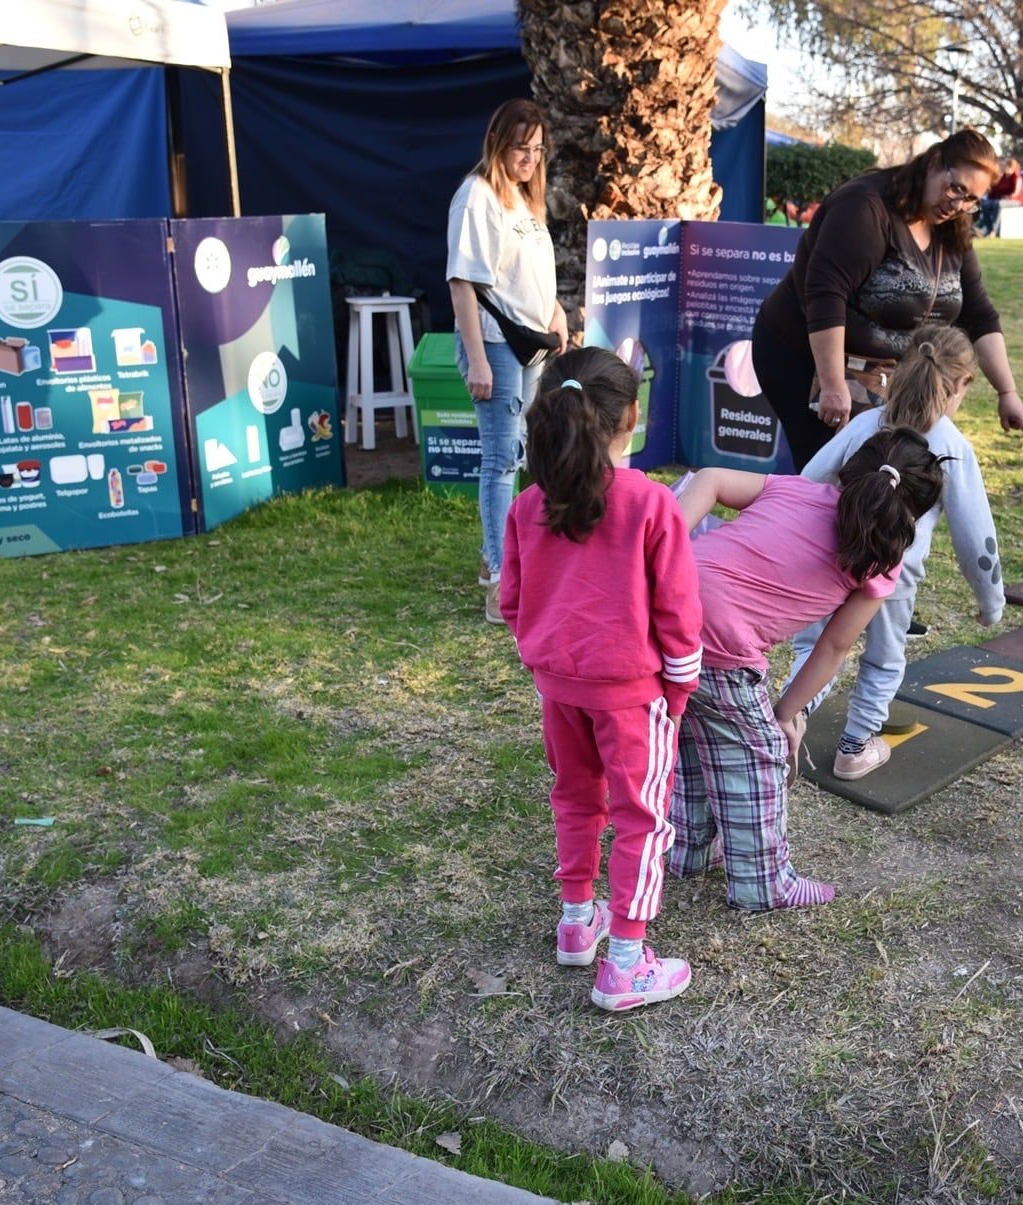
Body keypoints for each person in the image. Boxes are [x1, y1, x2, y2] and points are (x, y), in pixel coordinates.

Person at [498, 347, 704, 1012]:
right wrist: (677, 692)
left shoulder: (527, 504)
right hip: (631, 696)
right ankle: (624, 962)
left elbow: (512, 599)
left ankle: (575, 918)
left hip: (558, 687)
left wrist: (544, 658)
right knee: (641, 818)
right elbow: (679, 616)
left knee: (574, 797)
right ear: (631, 418)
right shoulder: (650, 504)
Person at [667, 428, 946, 909]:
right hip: (720, 646)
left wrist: (662, 550)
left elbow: (708, 478)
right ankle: (763, 883)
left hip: (661, 617)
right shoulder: (880, 562)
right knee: (761, 757)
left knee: (693, 733)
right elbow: (835, 647)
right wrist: (784, 717)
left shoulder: (794, 488)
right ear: (915, 515)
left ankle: (689, 851)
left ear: (848, 468)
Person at [788, 327, 1005, 780]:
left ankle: (790, 719)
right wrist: (992, 603)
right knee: (884, 659)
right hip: (893, 576)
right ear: (963, 384)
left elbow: (806, 484)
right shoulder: (954, 449)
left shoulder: (867, 424)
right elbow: (976, 539)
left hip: (833, 560)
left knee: (815, 647)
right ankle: (855, 747)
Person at [750, 127, 1023, 471]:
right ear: (932, 163)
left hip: (877, 374)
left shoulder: (952, 228)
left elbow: (979, 314)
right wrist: (833, 385)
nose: (958, 205)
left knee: (880, 475)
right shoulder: (866, 208)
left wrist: (1008, 393)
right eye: (956, 187)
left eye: (972, 199)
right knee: (830, 476)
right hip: (804, 356)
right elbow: (826, 295)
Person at [448, 99, 570, 623]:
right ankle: (501, 581)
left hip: (531, 342)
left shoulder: (524, 198)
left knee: (521, 453)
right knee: (501, 460)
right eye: (523, 147)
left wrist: (558, 312)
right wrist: (477, 359)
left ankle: (496, 561)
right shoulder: (476, 197)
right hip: (495, 345)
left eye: (538, 148)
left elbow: (529, 272)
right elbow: (463, 283)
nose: (531, 158)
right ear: (500, 142)